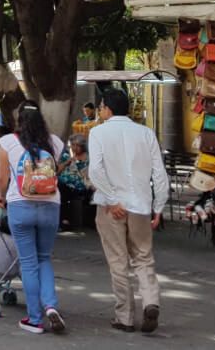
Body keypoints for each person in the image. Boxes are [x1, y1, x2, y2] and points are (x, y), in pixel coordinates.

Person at [88, 88, 168, 334]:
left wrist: (112, 200)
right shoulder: (146, 133)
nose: (100, 111)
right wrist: (158, 206)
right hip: (141, 205)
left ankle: (125, 316)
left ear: (108, 109)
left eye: (101, 107)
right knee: (144, 258)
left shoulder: (98, 133)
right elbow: (159, 173)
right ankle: (151, 301)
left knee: (118, 261)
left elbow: (96, 171)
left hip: (111, 208)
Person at [0, 102, 67, 335]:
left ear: (19, 119)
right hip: (50, 207)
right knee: (44, 258)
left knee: (28, 262)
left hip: (20, 206)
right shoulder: (55, 142)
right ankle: (51, 307)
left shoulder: (8, 142)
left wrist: (1, 197)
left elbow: (2, 178)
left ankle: (35, 319)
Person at [58, 135, 93, 229]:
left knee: (64, 190)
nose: (75, 148)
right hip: (65, 184)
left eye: (78, 145)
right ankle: (64, 219)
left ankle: (67, 219)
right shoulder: (67, 155)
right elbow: (58, 171)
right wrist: (67, 162)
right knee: (61, 186)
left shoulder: (88, 157)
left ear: (83, 146)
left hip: (82, 184)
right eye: (73, 145)